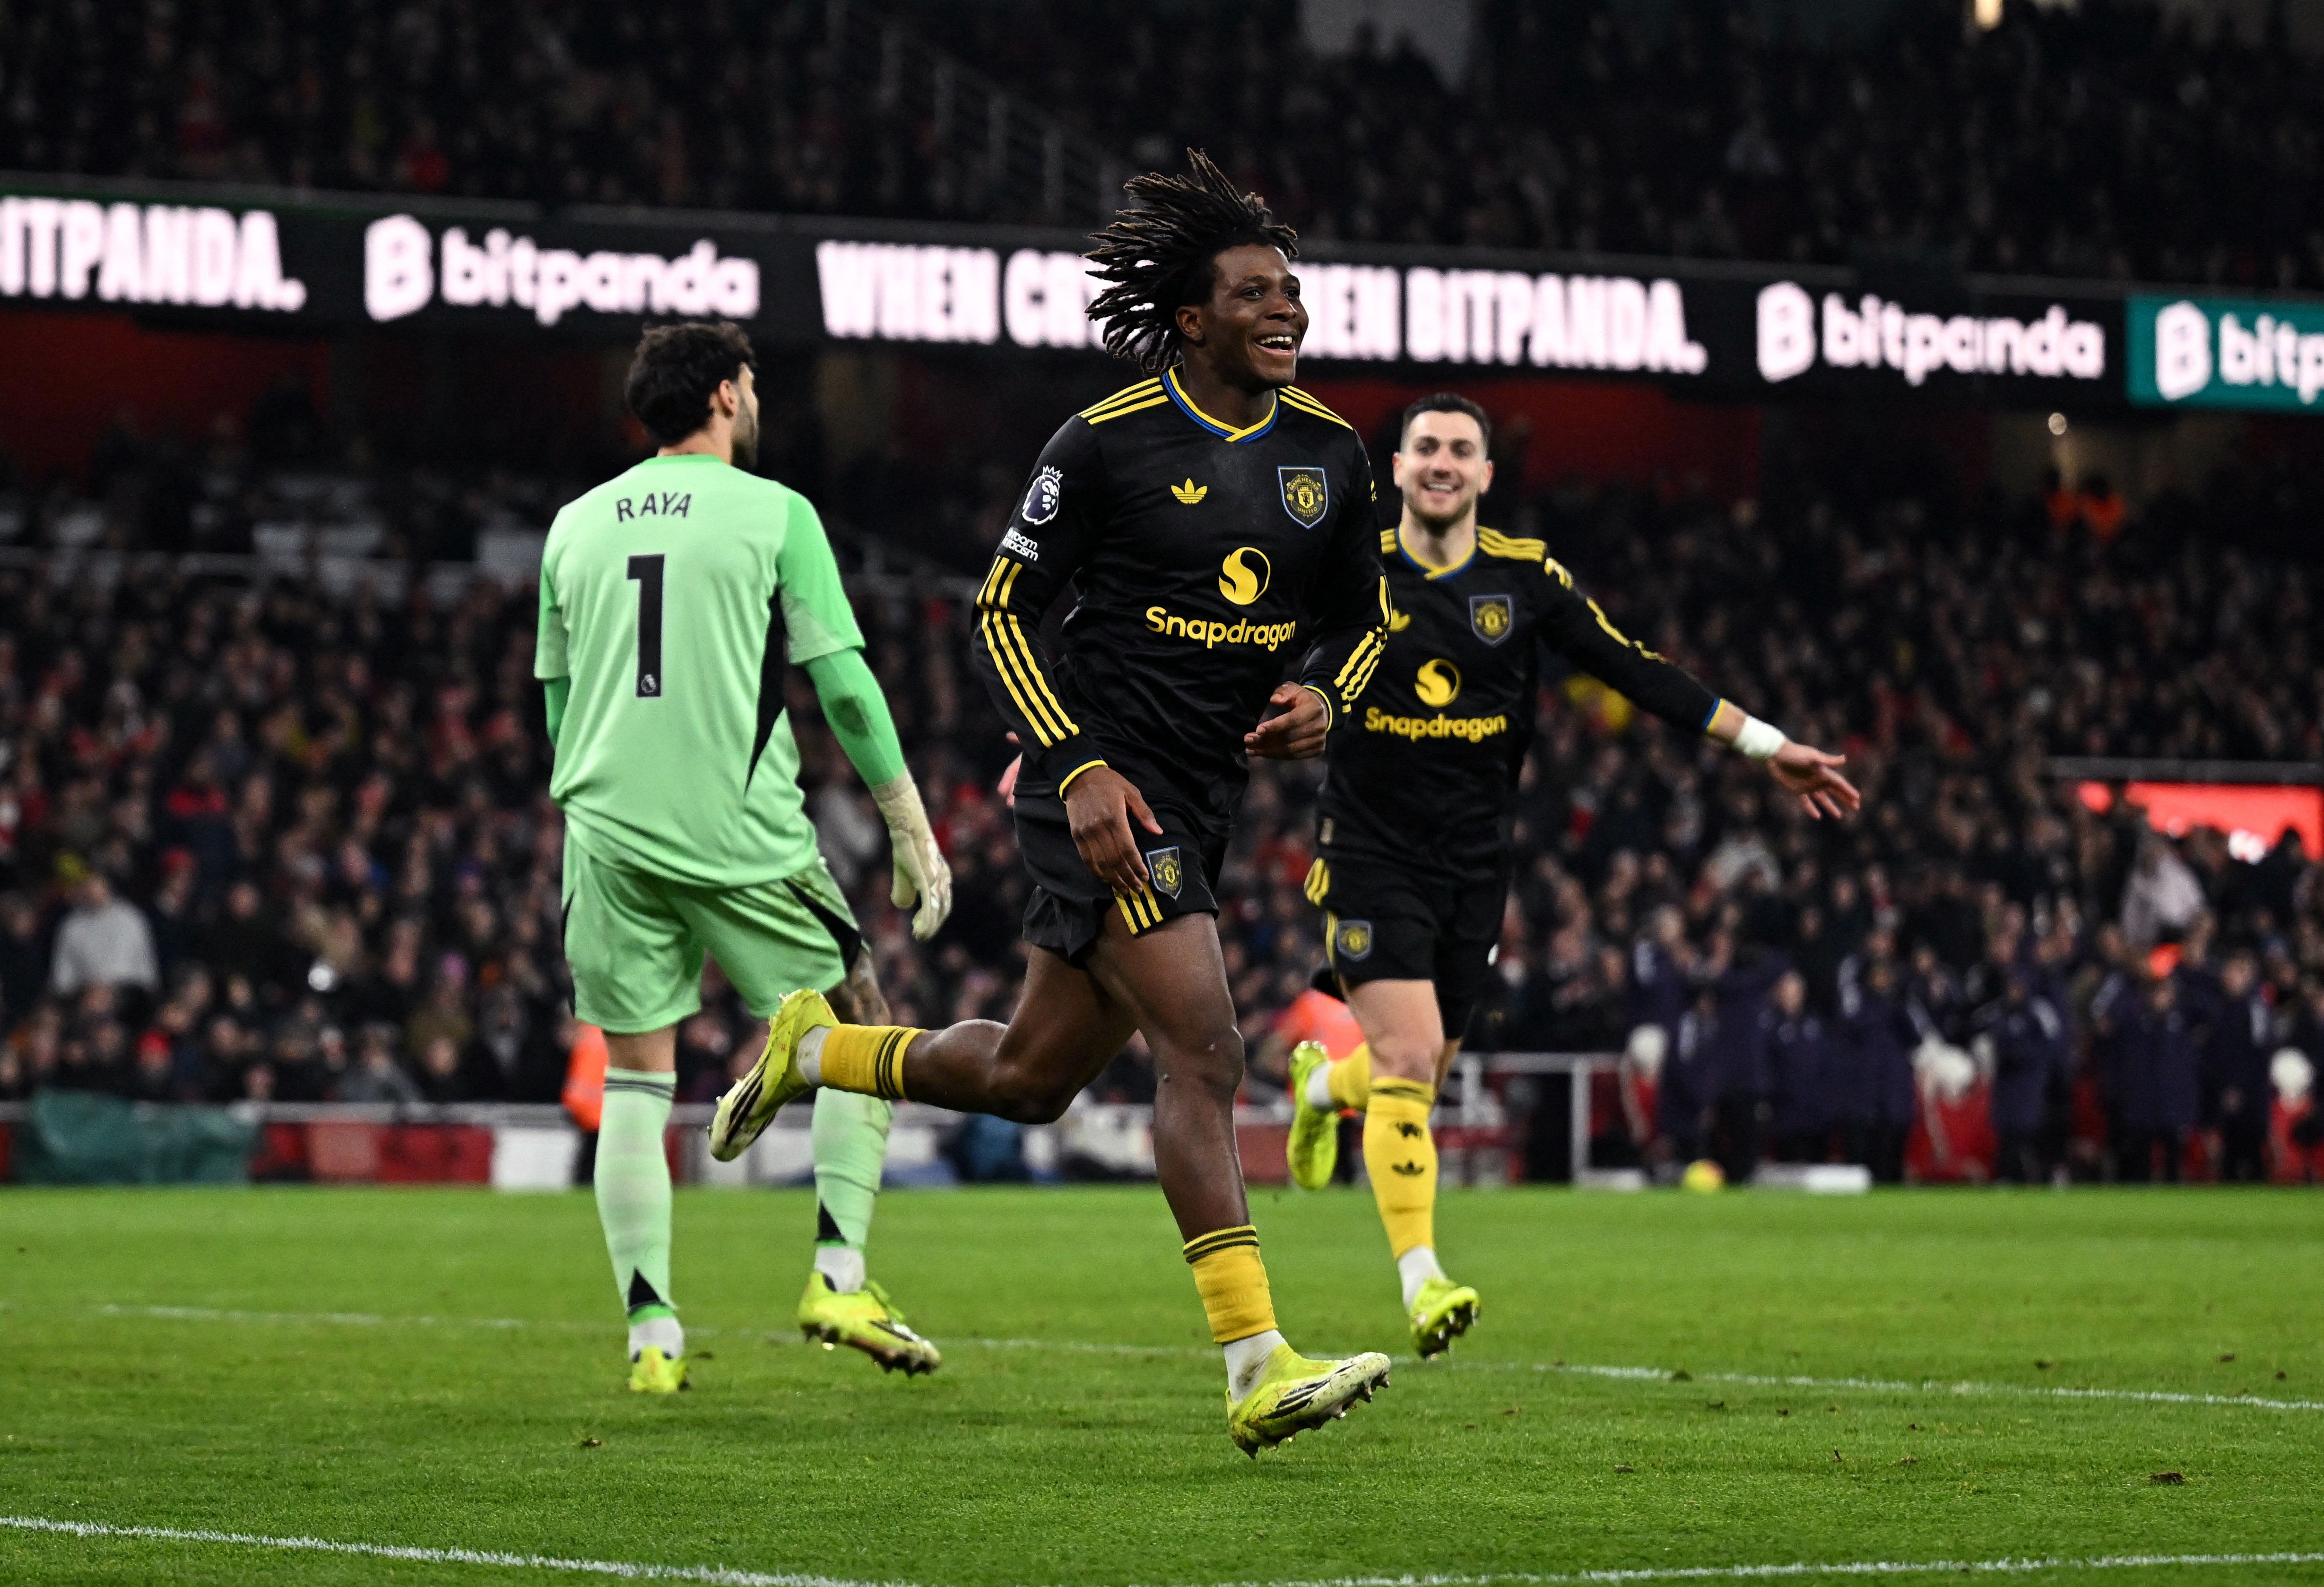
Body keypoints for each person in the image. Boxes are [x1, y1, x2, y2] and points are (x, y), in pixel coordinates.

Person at [713, 151, 1394, 1455]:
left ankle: (816, 1049)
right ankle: (1255, 1361)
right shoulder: (1105, 441)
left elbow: (1363, 620)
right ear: (1190, 319)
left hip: (1202, 792)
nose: (1286, 310)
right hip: (1099, 784)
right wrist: (1074, 763)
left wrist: (1327, 692)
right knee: (1204, 1050)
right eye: (1255, 293)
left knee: (1030, 1078)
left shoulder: (1328, 454)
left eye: (1290, 291)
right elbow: (1003, 610)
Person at [1284, 392, 1860, 1350]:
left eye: (1460, 449)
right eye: (1425, 446)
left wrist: (1769, 746)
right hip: (1367, 853)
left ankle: (1317, 1091)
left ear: (1485, 473)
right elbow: (1259, 650)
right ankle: (1423, 1281)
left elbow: (1635, 667)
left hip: (1475, 869)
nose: (1441, 462)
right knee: (1408, 1059)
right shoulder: (1354, 569)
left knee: (1413, 1070)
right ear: (1398, 468)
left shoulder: (1524, 577)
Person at [537, 319, 954, 1394]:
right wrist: (907, 818)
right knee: (863, 1027)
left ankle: (652, 1334)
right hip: (735, 830)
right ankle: (837, 1276)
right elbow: (843, 683)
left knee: (637, 1077)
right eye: (753, 385)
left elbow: (557, 703)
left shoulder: (573, 527)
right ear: (726, 394)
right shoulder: (776, 513)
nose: (756, 401)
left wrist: (601, 805)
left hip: (604, 833)